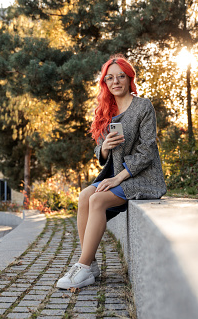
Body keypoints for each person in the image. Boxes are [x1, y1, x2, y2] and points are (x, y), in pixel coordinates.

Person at [56, 55, 167, 289]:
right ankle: (92, 264)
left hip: (143, 177)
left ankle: (83, 268)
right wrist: (104, 149)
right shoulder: (106, 110)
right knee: (85, 195)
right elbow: (100, 152)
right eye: (109, 78)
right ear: (105, 83)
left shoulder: (143, 107)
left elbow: (147, 150)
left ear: (129, 78)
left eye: (120, 76)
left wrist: (118, 177)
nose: (115, 81)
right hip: (116, 174)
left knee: (97, 199)